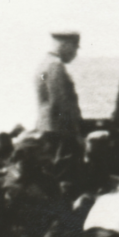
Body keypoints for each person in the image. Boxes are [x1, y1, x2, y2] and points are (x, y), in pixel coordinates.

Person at [34, 31, 84, 182]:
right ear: (65, 45)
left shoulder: (43, 64)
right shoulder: (56, 66)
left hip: (47, 127)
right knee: (63, 176)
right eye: (74, 48)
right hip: (60, 130)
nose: (75, 54)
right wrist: (75, 131)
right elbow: (61, 102)